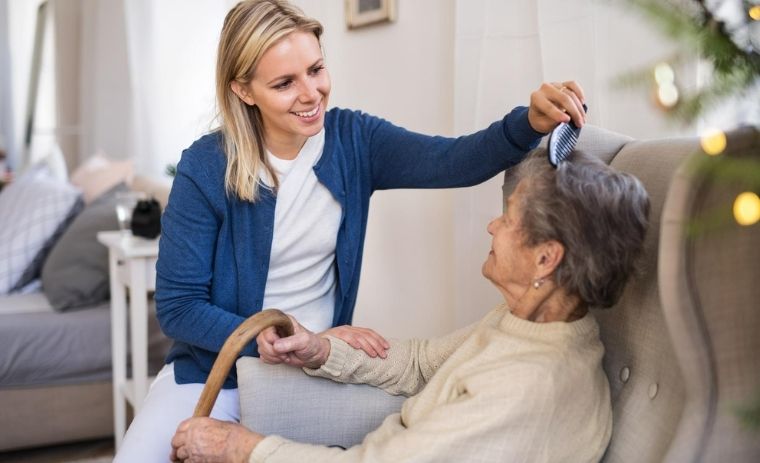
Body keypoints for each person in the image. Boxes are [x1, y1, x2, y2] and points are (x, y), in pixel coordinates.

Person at [114, 0, 588, 460]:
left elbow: (455, 160)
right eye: (284, 83)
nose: (311, 93)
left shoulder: (354, 140)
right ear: (243, 90)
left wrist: (529, 122)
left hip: (315, 368)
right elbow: (178, 308)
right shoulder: (206, 165)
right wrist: (267, 335)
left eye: (316, 70)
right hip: (215, 372)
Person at [170, 150, 651, 462]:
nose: (491, 228)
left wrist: (245, 449)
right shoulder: (525, 323)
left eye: (507, 220)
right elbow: (423, 363)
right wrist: (322, 351)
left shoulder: (530, 386)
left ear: (546, 258)